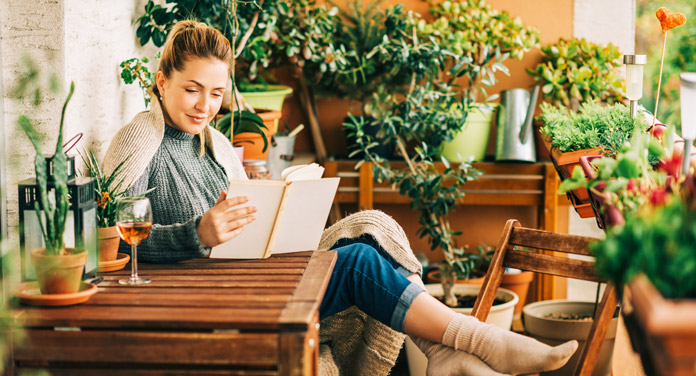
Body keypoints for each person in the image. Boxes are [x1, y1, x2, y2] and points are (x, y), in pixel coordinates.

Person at [103, 20, 578, 376]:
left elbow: (243, 224)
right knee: (354, 264)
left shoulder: (216, 145)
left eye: (215, 94)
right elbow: (111, 244)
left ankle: (442, 351)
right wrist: (196, 234)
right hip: (213, 298)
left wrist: (282, 199)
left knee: (371, 237)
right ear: (161, 81)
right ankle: (478, 340)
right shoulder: (140, 137)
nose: (205, 106)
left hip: (246, 277)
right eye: (191, 90)